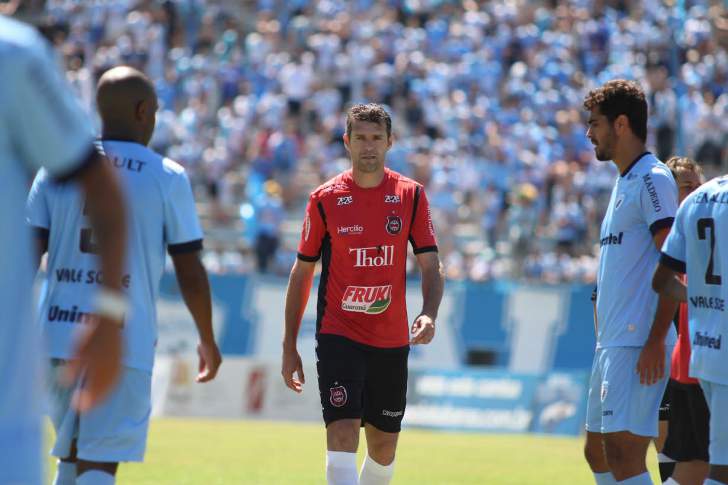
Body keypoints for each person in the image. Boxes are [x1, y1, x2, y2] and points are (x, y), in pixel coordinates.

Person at [27, 66, 222, 485]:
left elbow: (26, 254)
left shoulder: (56, 169)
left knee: (71, 454)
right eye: (154, 112)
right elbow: (189, 268)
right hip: (120, 337)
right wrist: (206, 337)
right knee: (100, 461)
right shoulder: (166, 176)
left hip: (55, 337)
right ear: (142, 111)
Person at [281, 103, 444, 485]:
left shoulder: (411, 195)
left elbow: (431, 264)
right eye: (360, 138)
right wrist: (289, 345)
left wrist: (429, 312)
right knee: (342, 435)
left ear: (390, 142)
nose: (368, 146)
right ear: (347, 142)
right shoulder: (324, 199)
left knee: (383, 448)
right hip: (339, 334)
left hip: (390, 340)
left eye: (376, 138)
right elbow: (302, 272)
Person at [1, 13, 127, 485]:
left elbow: (98, 184)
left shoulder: (12, 54)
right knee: (86, 454)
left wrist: (108, 312)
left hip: (12, 387)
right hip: (51, 335)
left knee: (75, 453)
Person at [582, 79, 679, 485]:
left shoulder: (653, 178)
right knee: (597, 452)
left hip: (638, 340)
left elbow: (674, 265)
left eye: (595, 123)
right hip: (613, 341)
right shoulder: (625, 179)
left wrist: (656, 339)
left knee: (625, 454)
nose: (589, 133)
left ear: (620, 124)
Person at [658, 157, 709, 485]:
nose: (694, 193)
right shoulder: (658, 241)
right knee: (676, 460)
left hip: (695, 362)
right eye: (686, 187)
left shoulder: (706, 236)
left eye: (697, 185)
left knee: (694, 463)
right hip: (668, 363)